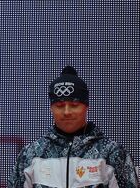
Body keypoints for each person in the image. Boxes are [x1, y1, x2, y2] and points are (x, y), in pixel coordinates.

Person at [8, 66, 139, 188]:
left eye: (74, 105)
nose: (66, 112)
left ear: (86, 106)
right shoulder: (31, 155)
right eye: (59, 105)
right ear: (51, 108)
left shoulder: (112, 153)